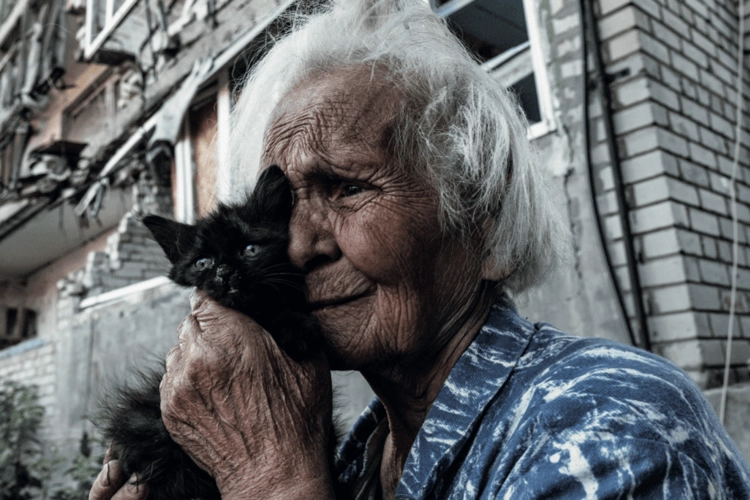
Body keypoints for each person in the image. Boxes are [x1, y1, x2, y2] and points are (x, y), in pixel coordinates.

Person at [89, 1, 750, 498]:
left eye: (347, 187)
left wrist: (269, 473)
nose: (297, 245)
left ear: (484, 226)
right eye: (284, 205)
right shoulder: (362, 455)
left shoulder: (604, 428)